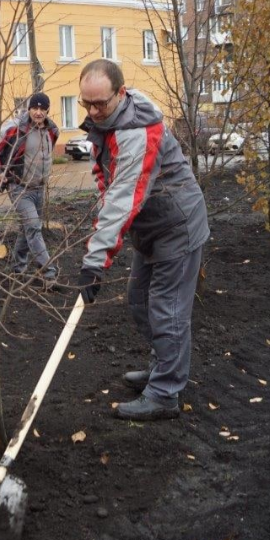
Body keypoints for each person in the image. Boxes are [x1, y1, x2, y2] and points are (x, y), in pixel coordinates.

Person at [75, 59, 209, 421]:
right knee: (138, 301)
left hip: (176, 226)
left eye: (99, 103)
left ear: (120, 93)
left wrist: (96, 260)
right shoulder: (110, 119)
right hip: (151, 227)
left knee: (167, 308)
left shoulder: (136, 130)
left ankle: (165, 394)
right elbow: (108, 181)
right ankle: (166, 365)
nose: (92, 111)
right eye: (85, 103)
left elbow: (124, 196)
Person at [0, 91, 61, 282]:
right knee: (33, 227)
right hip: (19, 188)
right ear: (29, 108)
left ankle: (17, 268)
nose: (38, 112)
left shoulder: (51, 131)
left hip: (39, 188)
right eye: (35, 108)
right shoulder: (15, 128)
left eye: (42, 108)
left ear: (47, 110)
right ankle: (49, 273)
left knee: (26, 229)